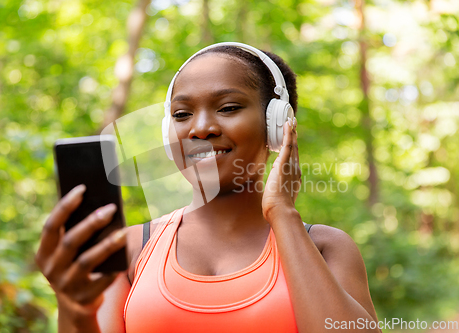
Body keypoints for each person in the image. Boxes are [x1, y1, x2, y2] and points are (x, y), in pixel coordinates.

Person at [36, 42, 380, 333]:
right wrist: (75, 309)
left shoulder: (325, 247)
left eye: (228, 107)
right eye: (182, 114)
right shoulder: (128, 250)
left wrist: (284, 214)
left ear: (277, 124)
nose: (200, 128)